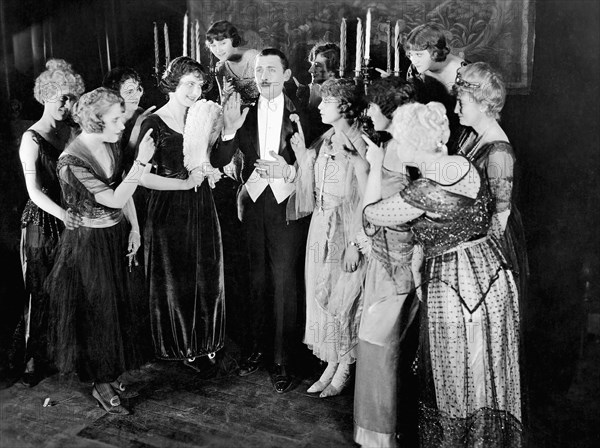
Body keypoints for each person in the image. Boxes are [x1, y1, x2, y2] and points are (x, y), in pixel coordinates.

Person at [362, 102, 523, 446]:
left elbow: (373, 214)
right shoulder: (462, 165)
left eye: (397, 139)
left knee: (456, 379)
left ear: (410, 144)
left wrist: (375, 166)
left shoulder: (422, 192)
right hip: (493, 273)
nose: (395, 145)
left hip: (453, 284)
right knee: (488, 375)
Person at [45, 88, 156, 415]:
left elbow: (125, 189)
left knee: (118, 308)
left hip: (115, 236)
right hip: (89, 245)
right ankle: (99, 383)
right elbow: (112, 198)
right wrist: (143, 162)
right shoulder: (72, 161)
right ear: (95, 122)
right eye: (116, 119)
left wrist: (134, 227)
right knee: (98, 315)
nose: (123, 124)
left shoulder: (110, 142)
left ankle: (109, 373)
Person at [210, 48, 304, 394]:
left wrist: (290, 169)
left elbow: (323, 168)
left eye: (271, 70)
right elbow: (220, 159)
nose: (263, 77)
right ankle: (255, 350)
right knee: (255, 281)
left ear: (287, 75)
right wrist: (230, 130)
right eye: (259, 71)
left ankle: (281, 360)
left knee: (283, 282)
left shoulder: (302, 114)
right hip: (251, 207)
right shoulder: (243, 114)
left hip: (287, 208)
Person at [137, 57, 225, 369]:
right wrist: (185, 184)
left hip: (201, 204)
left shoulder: (199, 117)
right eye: (188, 83)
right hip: (168, 208)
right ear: (172, 84)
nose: (195, 90)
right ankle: (181, 346)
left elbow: (204, 158)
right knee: (176, 278)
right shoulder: (153, 123)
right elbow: (141, 177)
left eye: (199, 85)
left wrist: (207, 170)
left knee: (205, 272)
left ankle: (205, 343)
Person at [287, 78, 368, 398]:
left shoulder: (359, 141)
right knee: (321, 297)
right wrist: (303, 157)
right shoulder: (327, 137)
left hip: (346, 227)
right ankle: (331, 363)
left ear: (345, 106)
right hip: (322, 225)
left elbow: (367, 196)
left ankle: (345, 366)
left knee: (343, 299)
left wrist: (356, 242)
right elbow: (313, 185)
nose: (319, 106)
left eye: (327, 102)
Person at [353, 77, 421, 446]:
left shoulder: (405, 150)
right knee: (377, 346)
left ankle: (383, 437)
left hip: (398, 264)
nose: (368, 114)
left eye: (374, 107)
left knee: (381, 347)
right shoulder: (393, 146)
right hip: (385, 259)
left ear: (390, 112)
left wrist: (376, 166)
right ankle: (378, 434)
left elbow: (373, 213)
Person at [17, 58, 85, 386]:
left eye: (70, 99)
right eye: (61, 99)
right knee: (39, 290)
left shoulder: (70, 132)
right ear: (45, 96)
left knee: (68, 290)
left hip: (68, 220)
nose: (66, 105)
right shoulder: (30, 138)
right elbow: (33, 190)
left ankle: (63, 356)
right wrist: (64, 215)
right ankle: (34, 360)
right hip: (40, 224)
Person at [454, 62, 529, 301]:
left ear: (485, 105)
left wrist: (483, 259)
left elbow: (500, 215)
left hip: (488, 241)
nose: (456, 110)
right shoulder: (471, 134)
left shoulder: (499, 152)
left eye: (462, 104)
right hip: (467, 232)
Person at [404, 23, 470, 153]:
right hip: (429, 137)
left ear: (435, 51)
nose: (413, 60)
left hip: (461, 138)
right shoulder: (415, 70)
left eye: (419, 55)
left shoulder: (464, 72)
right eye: (410, 54)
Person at [294, 42, 340, 147]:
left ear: (333, 70)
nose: (310, 70)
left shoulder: (338, 99)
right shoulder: (309, 90)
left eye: (317, 66)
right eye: (311, 65)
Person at [206, 20, 260, 106]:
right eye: (213, 45)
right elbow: (222, 104)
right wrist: (226, 94)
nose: (218, 50)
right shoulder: (221, 69)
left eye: (223, 43)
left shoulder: (254, 58)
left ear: (233, 39)